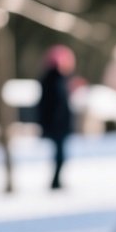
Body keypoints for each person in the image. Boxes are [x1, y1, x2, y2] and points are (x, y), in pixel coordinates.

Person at [36, 46, 75, 192]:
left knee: (60, 156)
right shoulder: (55, 80)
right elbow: (55, 105)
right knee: (60, 156)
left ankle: (56, 182)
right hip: (57, 126)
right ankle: (55, 183)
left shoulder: (56, 80)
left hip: (57, 125)